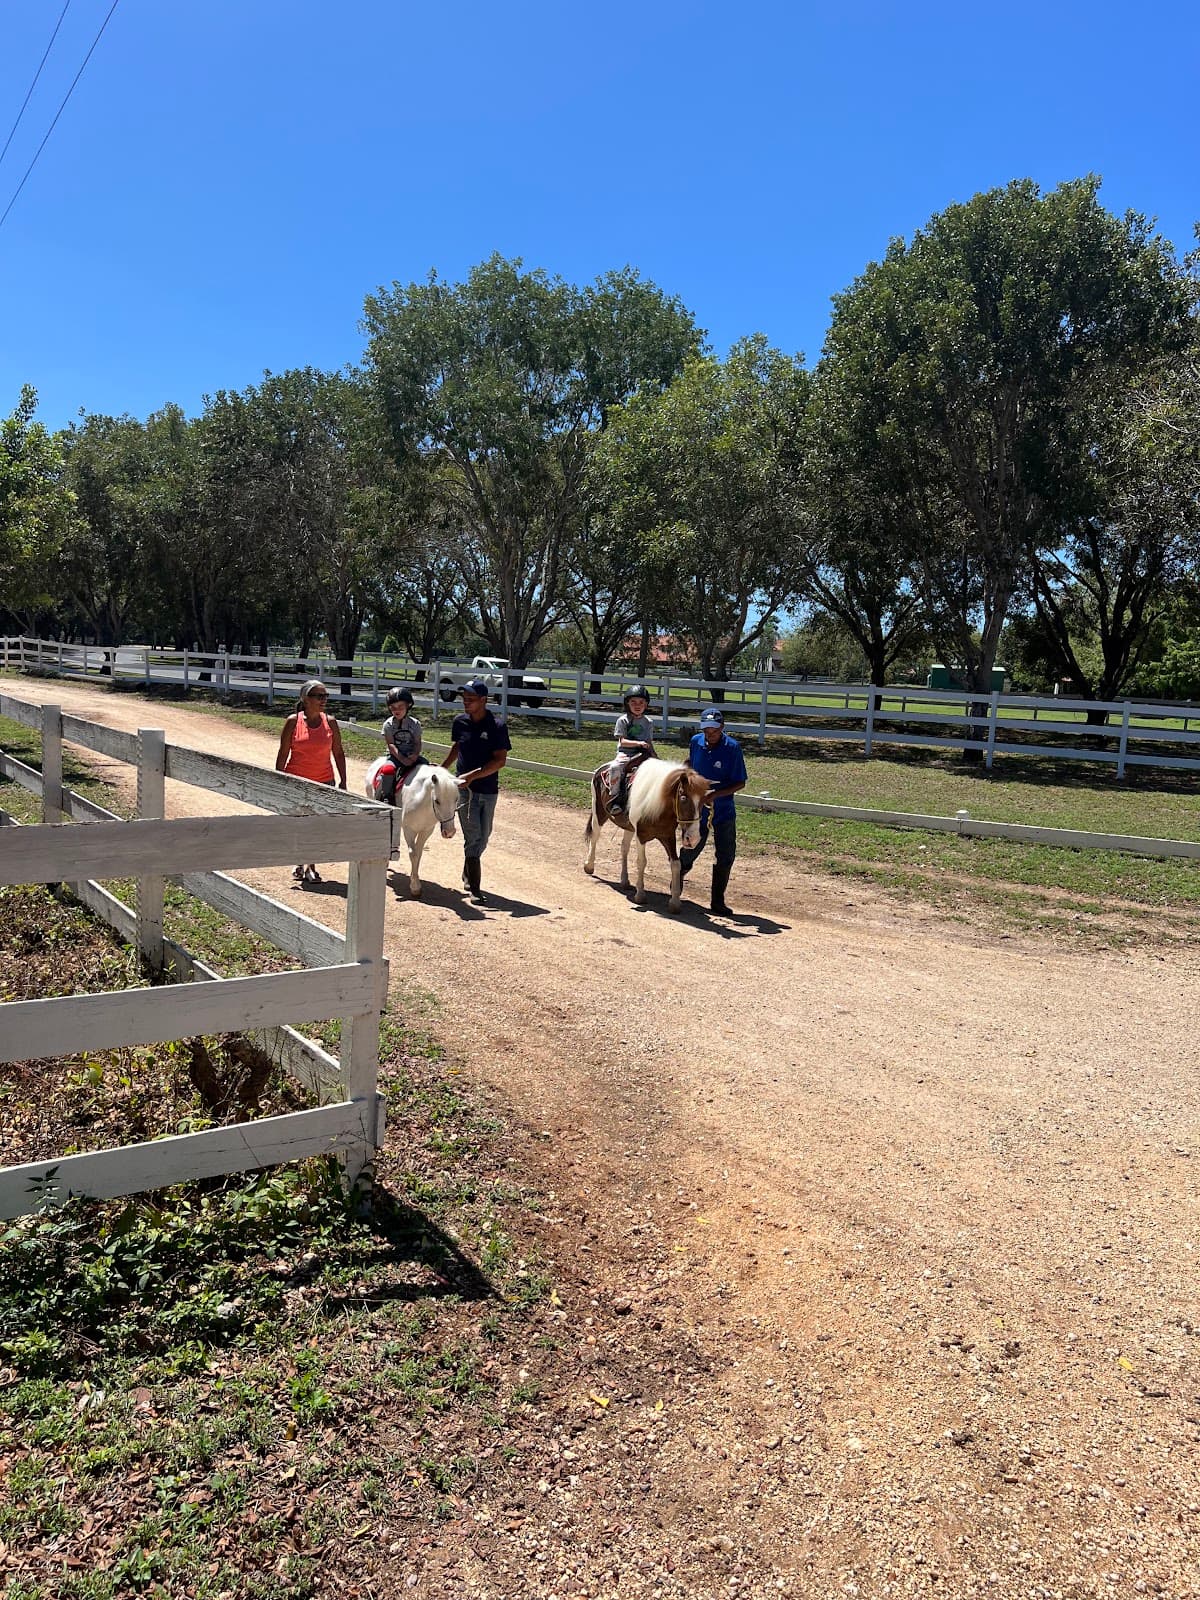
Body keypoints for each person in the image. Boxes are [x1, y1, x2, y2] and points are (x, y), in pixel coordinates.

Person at [442, 677, 511, 905]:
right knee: (473, 837)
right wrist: (444, 769)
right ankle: (474, 888)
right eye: (464, 698)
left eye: (471, 699)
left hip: (488, 790)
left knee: (484, 837)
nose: (466, 703)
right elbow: (457, 746)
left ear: (483, 700)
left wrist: (473, 775)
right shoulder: (460, 722)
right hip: (465, 791)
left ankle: (468, 870)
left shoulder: (497, 726)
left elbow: (500, 761)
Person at [275, 679, 347, 885]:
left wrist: (343, 781)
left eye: (325, 696)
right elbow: (283, 753)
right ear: (306, 699)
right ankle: (300, 861)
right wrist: (278, 780)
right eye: (319, 696)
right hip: (297, 781)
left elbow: (338, 752)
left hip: (324, 781)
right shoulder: (292, 722)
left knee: (318, 826)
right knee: (300, 825)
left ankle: (311, 867)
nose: (324, 700)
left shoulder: (330, 722)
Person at [680, 706, 747, 916]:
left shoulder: (732, 748)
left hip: (723, 808)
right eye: (707, 731)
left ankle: (717, 901)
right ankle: (677, 878)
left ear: (722, 727)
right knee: (691, 845)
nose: (710, 735)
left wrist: (714, 795)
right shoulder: (696, 742)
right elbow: (691, 763)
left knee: (725, 854)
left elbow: (740, 782)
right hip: (699, 807)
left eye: (715, 731)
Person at [606, 684, 657, 816]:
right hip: (626, 753)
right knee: (615, 768)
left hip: (642, 753)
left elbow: (649, 742)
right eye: (633, 702)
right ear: (627, 703)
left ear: (646, 704)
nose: (637, 705)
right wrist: (639, 743)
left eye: (641, 702)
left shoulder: (649, 722)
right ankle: (615, 798)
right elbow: (622, 741)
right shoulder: (622, 720)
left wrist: (654, 755)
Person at [379, 686, 424, 803]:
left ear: (408, 705)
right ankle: (386, 796)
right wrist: (402, 759)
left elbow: (417, 742)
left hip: (412, 754)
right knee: (387, 770)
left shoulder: (415, 724)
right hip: (395, 756)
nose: (396, 710)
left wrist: (414, 755)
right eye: (393, 708)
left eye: (400, 706)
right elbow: (391, 744)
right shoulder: (388, 725)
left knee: (428, 767)